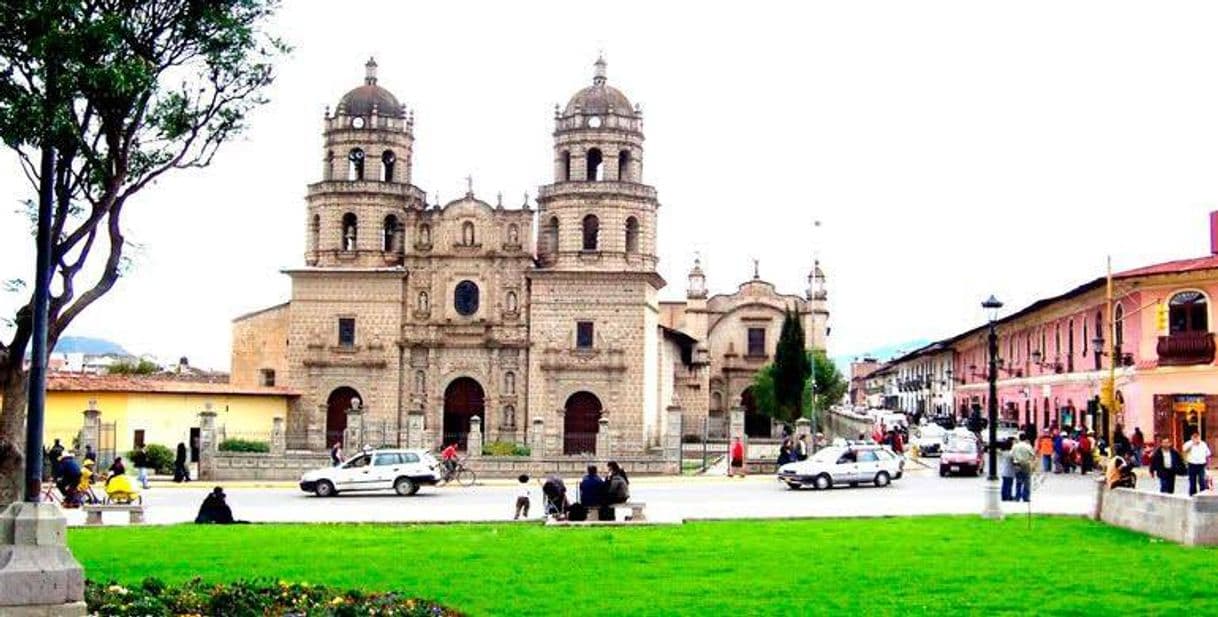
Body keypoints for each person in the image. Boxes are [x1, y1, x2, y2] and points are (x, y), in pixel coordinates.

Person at [1183, 431, 1212, 496]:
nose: (1196, 438)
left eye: (1197, 437)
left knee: (1202, 481)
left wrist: (1208, 465)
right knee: (1192, 481)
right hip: (1192, 465)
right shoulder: (1188, 444)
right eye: (1194, 437)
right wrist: (1192, 443)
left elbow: (1208, 455)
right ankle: (1192, 495)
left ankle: (1202, 495)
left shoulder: (1203, 444)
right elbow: (1184, 451)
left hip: (1201, 465)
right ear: (1192, 437)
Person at [1011, 434, 1035, 502]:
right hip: (1025, 464)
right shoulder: (1028, 446)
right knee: (1027, 481)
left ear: (1019, 438)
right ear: (1025, 439)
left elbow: (1011, 454)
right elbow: (1033, 455)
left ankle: (1017, 497)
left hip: (1017, 464)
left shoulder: (1015, 446)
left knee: (1018, 481)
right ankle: (1026, 497)